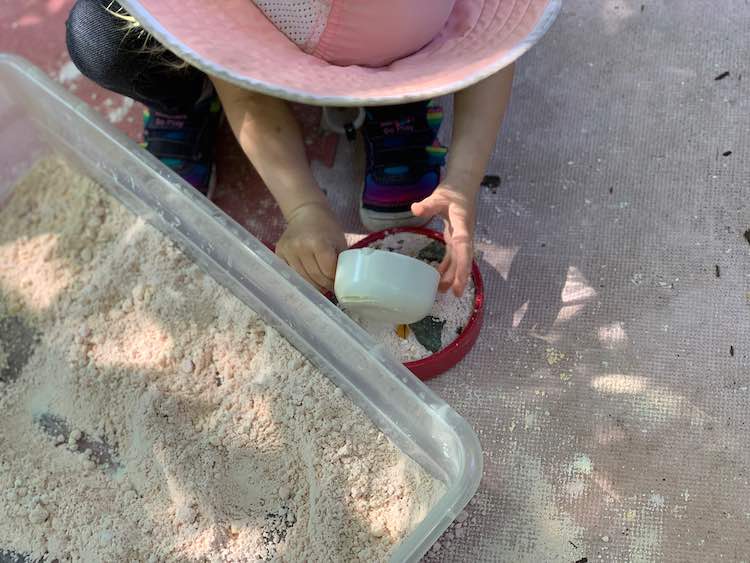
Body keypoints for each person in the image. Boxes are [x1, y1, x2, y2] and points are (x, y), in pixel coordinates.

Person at [66, 0, 559, 296]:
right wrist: (302, 205)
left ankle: (398, 95)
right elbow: (242, 86)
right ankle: (181, 97)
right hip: (273, 22)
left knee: (396, 35)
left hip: (401, 22)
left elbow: (491, 50)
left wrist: (464, 176)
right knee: (100, 38)